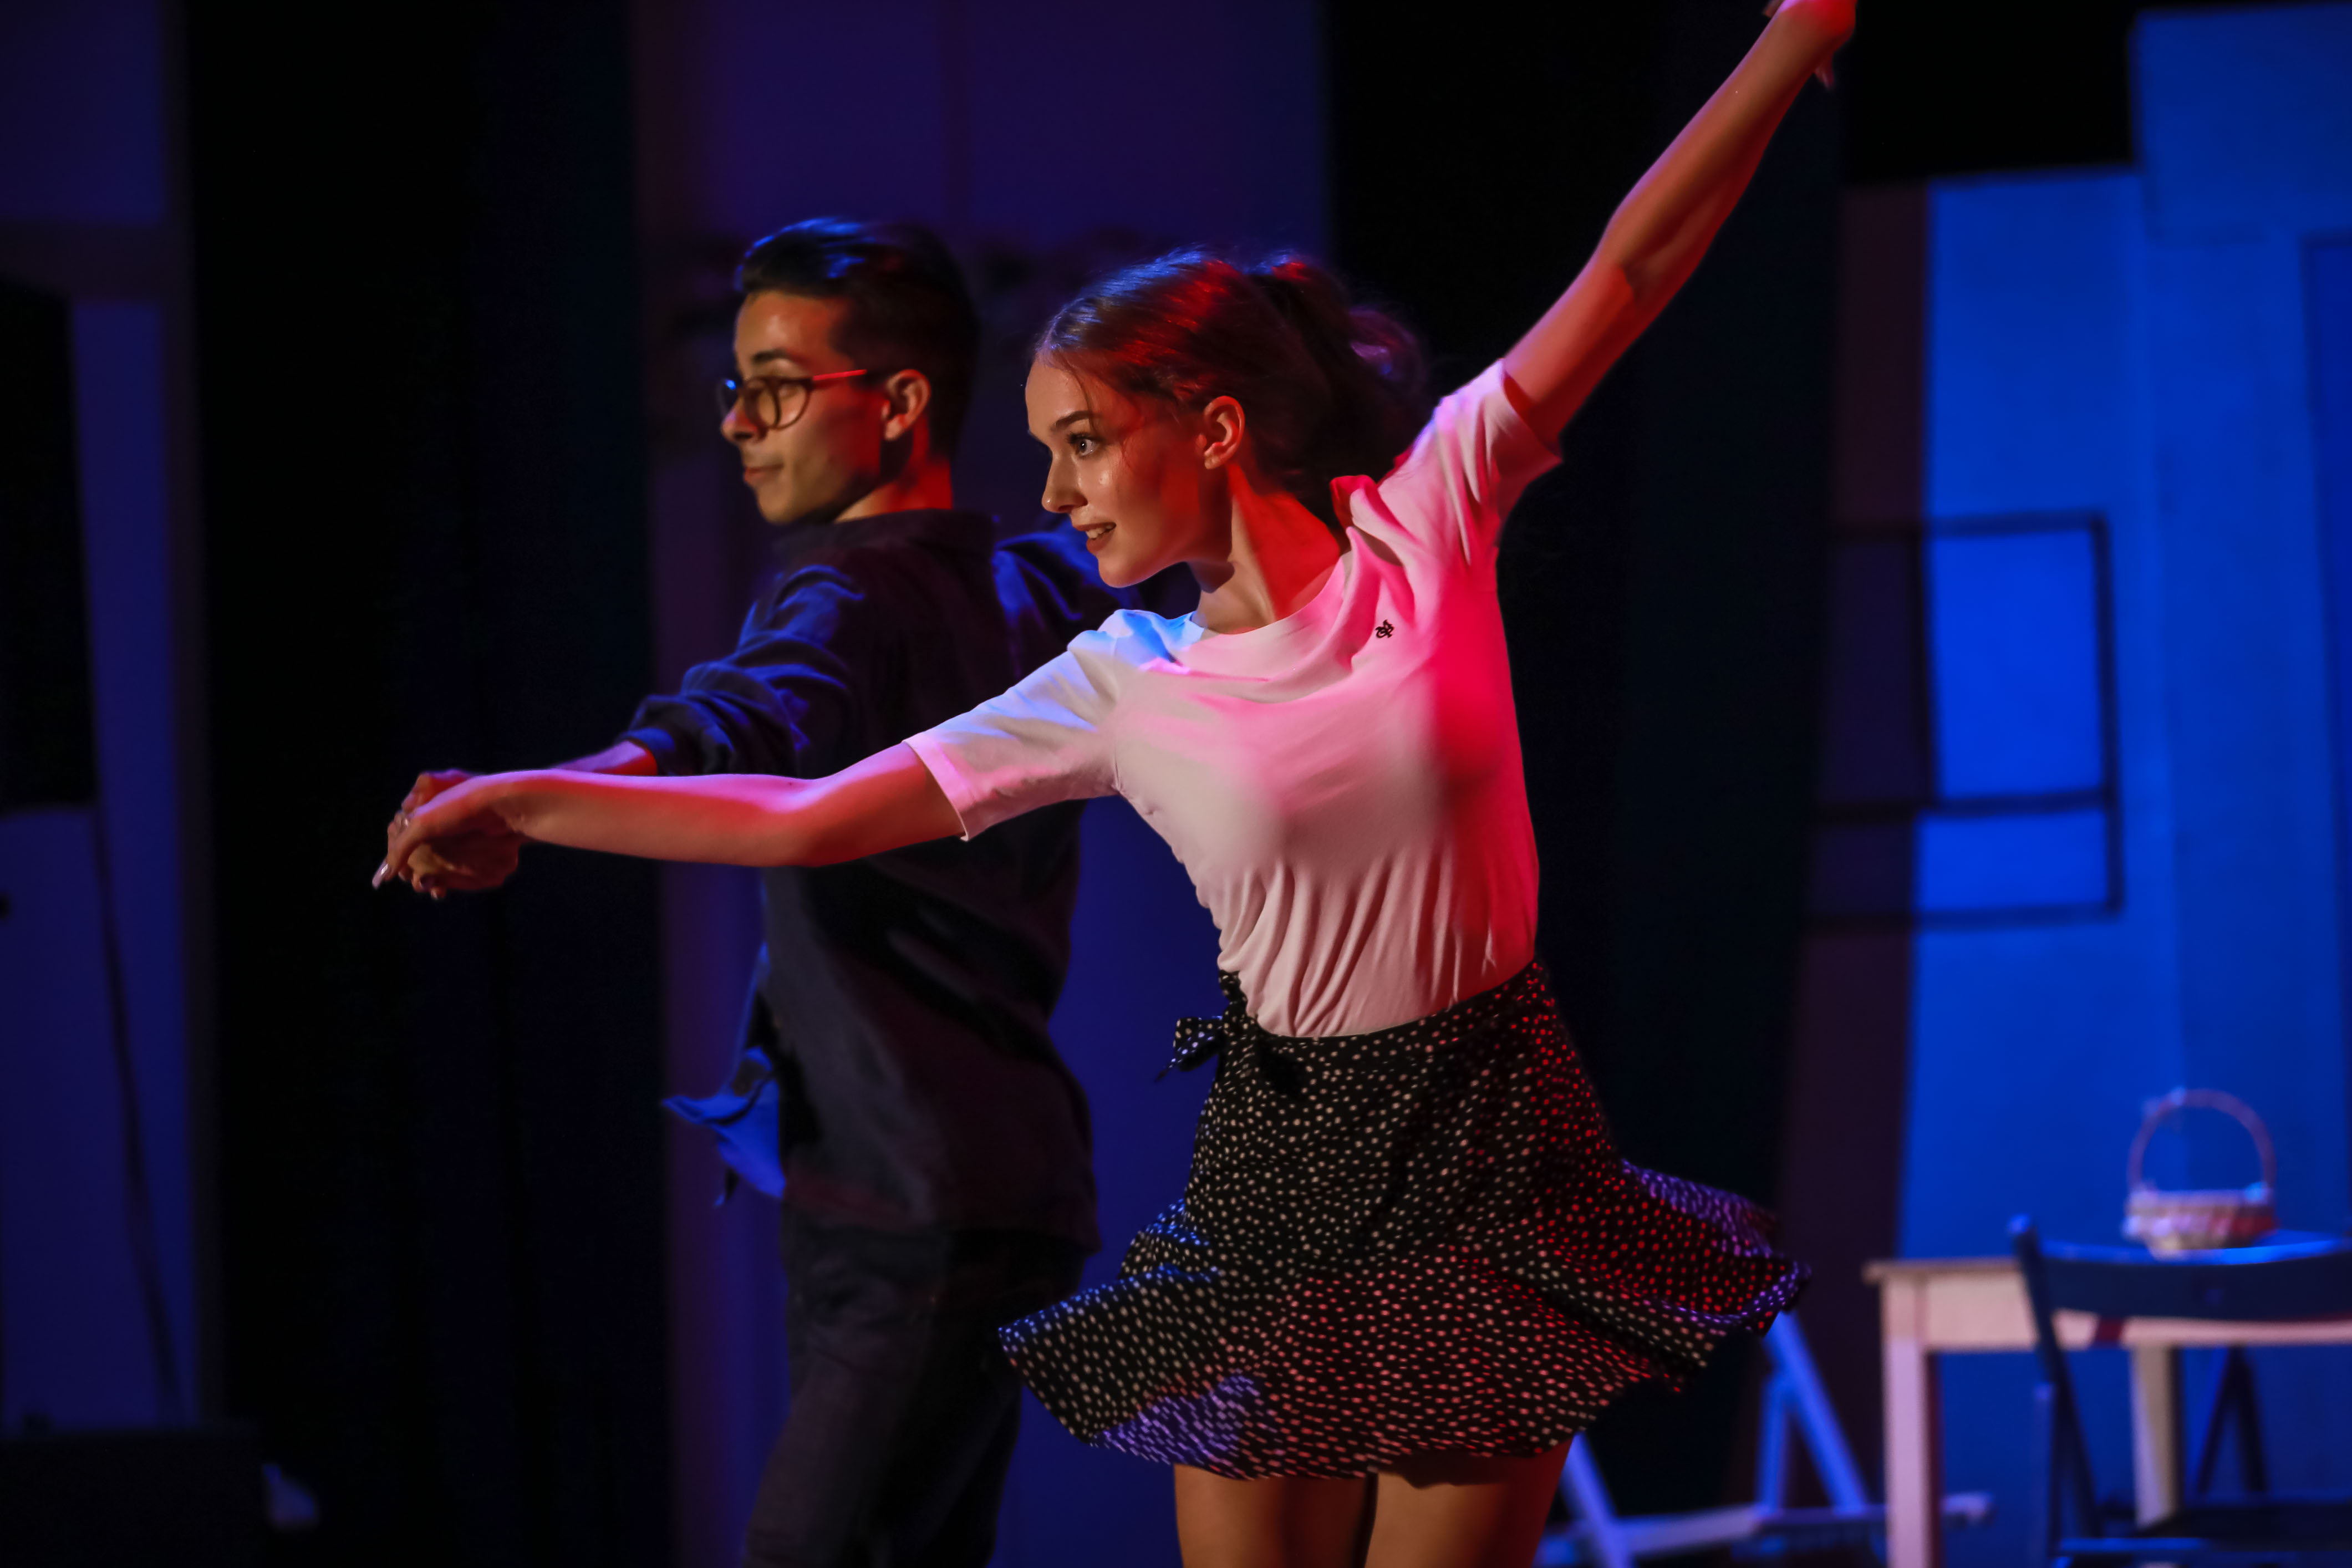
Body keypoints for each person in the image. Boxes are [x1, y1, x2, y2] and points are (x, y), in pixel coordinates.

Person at [383, 5, 1852, 1562]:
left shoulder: (1424, 520)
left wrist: (1794, 36)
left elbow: (1628, 269)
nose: (1054, 491)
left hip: (1494, 1143)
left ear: (1212, 427)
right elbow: (808, 817)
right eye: (1046, 448)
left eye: (1084, 441)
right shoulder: (1120, 678)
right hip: (1286, 1164)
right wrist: (528, 799)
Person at [382, 218, 1136, 1568]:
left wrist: (532, 794)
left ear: (898, 402)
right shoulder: (1036, 590)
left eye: (777, 388)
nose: (738, 423)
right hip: (998, 1189)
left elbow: (742, 716)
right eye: (736, 386)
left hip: (912, 1195)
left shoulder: (854, 589)